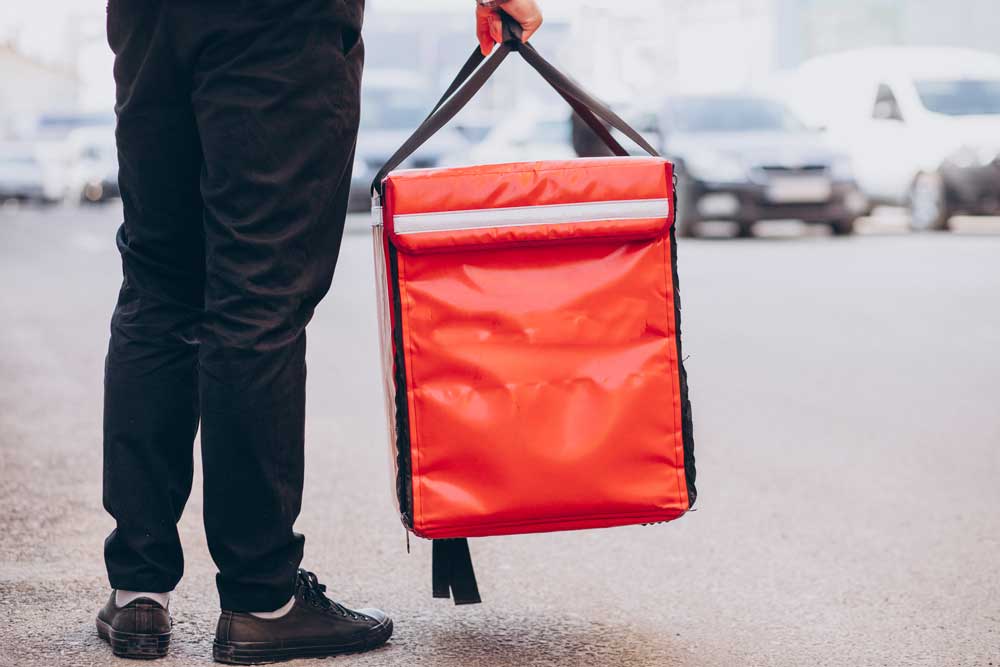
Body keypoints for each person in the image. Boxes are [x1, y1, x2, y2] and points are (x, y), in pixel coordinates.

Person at [96, 0, 543, 663]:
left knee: (158, 284)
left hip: (150, 17)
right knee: (258, 290)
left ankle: (139, 589)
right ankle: (260, 598)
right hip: (278, 23)